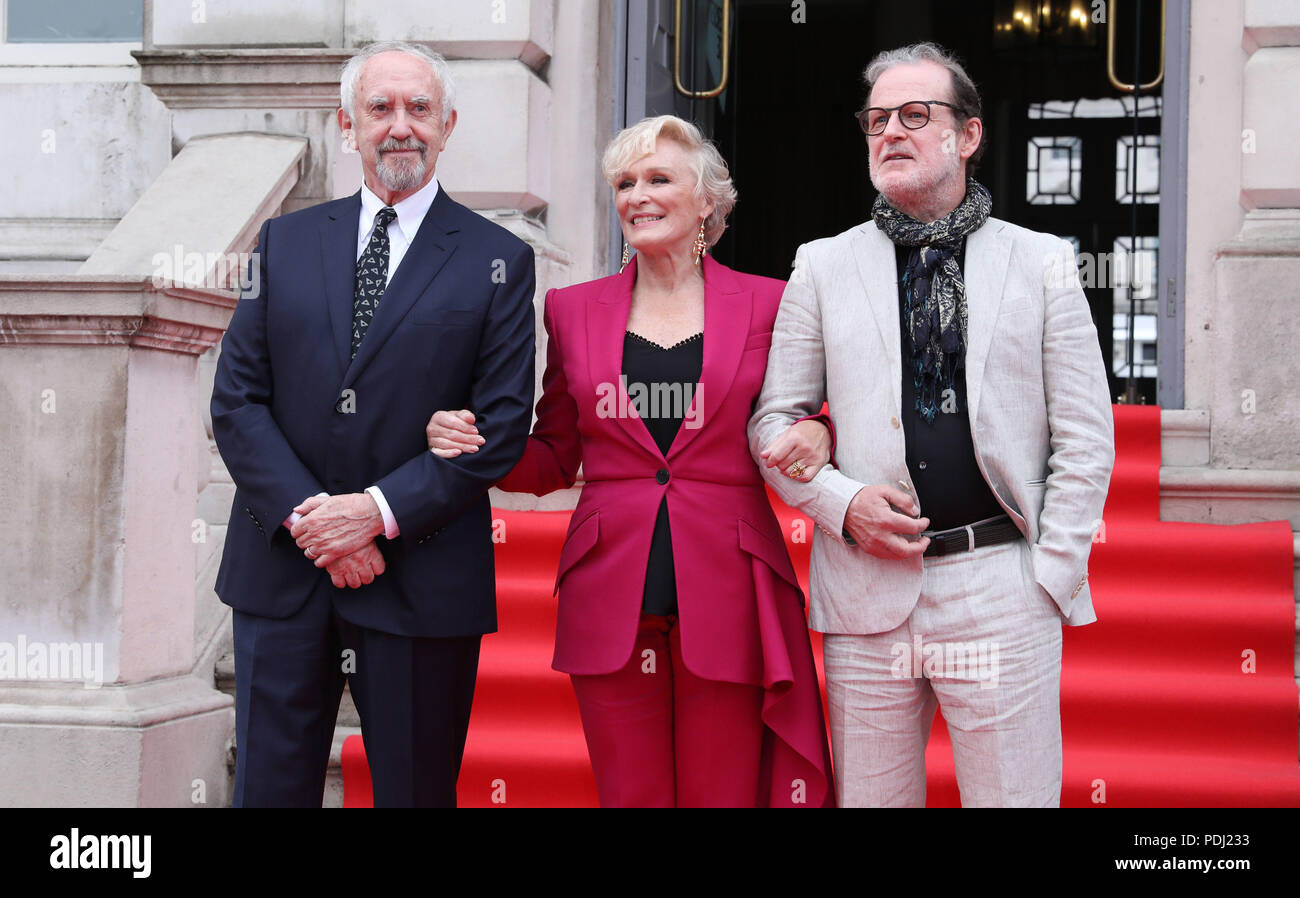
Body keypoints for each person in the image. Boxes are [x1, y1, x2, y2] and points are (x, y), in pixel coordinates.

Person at [425, 115, 834, 807]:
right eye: (624, 182)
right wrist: (478, 450)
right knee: (629, 794)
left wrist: (822, 431)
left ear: (706, 200)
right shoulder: (572, 309)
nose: (637, 195)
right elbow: (555, 456)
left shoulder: (771, 302)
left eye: (658, 178)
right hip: (612, 589)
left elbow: (811, 408)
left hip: (732, 585)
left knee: (722, 793)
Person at [748, 42, 1114, 807]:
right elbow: (773, 424)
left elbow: (1086, 435)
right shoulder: (822, 265)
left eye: (915, 115)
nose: (891, 132)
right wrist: (841, 505)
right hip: (865, 593)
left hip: (1000, 583)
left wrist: (1050, 575)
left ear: (968, 135)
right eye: (877, 119)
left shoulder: (1043, 263)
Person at [210, 41, 537, 807]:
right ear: (346, 126)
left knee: (415, 794)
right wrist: (312, 522)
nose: (401, 126)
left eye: (419, 109)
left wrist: (373, 515)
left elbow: (501, 423)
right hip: (282, 572)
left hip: (421, 576)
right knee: (266, 790)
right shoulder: (284, 242)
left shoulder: (498, 259)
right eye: (380, 108)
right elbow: (236, 402)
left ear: (447, 125)